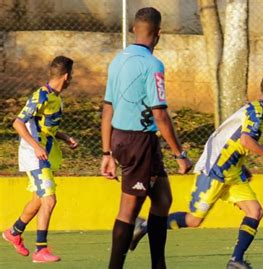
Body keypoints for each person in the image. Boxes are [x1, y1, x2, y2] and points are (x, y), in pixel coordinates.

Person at [129, 74, 263, 269]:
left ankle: (235, 260)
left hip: (232, 170)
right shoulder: (258, 111)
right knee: (194, 220)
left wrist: (241, 164)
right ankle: (144, 226)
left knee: (255, 211)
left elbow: (233, 137)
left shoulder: (255, 108)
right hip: (215, 169)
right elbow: (246, 140)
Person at [100, 7, 193, 269]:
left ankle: (159, 265)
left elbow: (107, 108)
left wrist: (107, 153)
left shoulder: (117, 60)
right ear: (159, 34)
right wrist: (180, 155)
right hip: (138, 142)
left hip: (124, 138)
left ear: (133, 30)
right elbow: (160, 115)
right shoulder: (153, 65)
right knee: (128, 210)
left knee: (163, 199)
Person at [2, 56, 77, 263]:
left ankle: (14, 232)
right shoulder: (41, 96)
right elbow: (18, 123)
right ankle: (40, 250)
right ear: (66, 76)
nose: (72, 80)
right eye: (73, 76)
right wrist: (36, 146)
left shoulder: (56, 97)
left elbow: (45, 126)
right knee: (49, 200)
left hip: (46, 154)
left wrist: (64, 137)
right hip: (35, 155)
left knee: (38, 200)